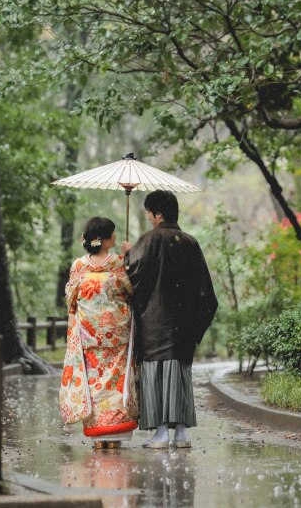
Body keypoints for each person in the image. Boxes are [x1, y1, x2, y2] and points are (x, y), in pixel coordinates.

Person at [123, 190, 218, 449]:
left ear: (159, 213)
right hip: (183, 325)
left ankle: (161, 433)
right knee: (179, 376)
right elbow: (205, 291)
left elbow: (132, 275)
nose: (149, 219)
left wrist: (127, 253)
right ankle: (181, 435)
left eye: (150, 214)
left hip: (155, 323)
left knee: (156, 376)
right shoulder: (190, 242)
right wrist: (194, 325)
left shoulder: (150, 239)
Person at [60, 217, 138, 450]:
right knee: (113, 381)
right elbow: (130, 290)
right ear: (103, 239)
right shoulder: (118, 264)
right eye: (112, 234)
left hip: (89, 332)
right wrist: (130, 257)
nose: (115, 237)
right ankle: (114, 434)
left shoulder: (79, 266)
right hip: (116, 331)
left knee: (94, 382)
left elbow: (71, 298)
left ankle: (99, 437)